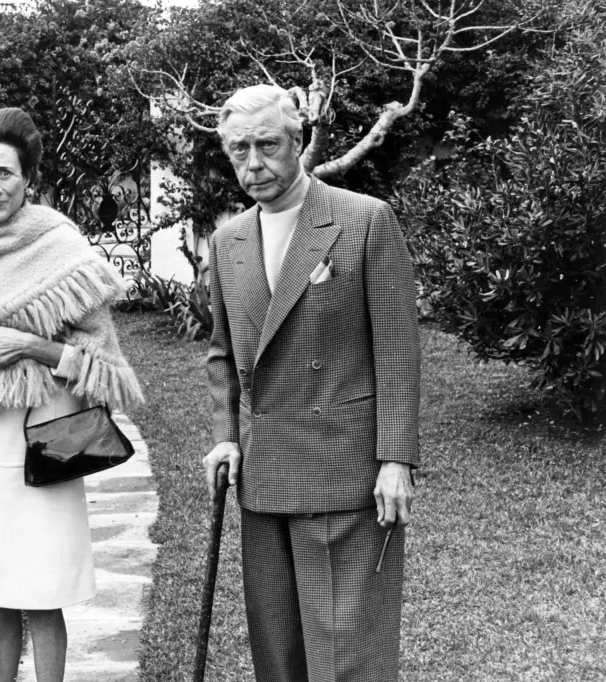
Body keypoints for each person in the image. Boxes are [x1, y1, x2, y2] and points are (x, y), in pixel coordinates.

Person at [0, 107, 144, 682]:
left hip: (47, 439)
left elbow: (106, 367)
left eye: (5, 174)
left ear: (27, 177)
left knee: (42, 592)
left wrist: (30, 345)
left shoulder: (60, 245)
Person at [201, 84, 421, 682]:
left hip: (345, 478)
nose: (254, 164)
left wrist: (395, 460)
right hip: (265, 480)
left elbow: (398, 348)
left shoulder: (363, 219)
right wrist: (225, 435)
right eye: (239, 149)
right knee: (280, 658)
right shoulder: (227, 241)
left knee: (346, 659)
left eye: (268, 145)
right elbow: (222, 354)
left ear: (298, 141)